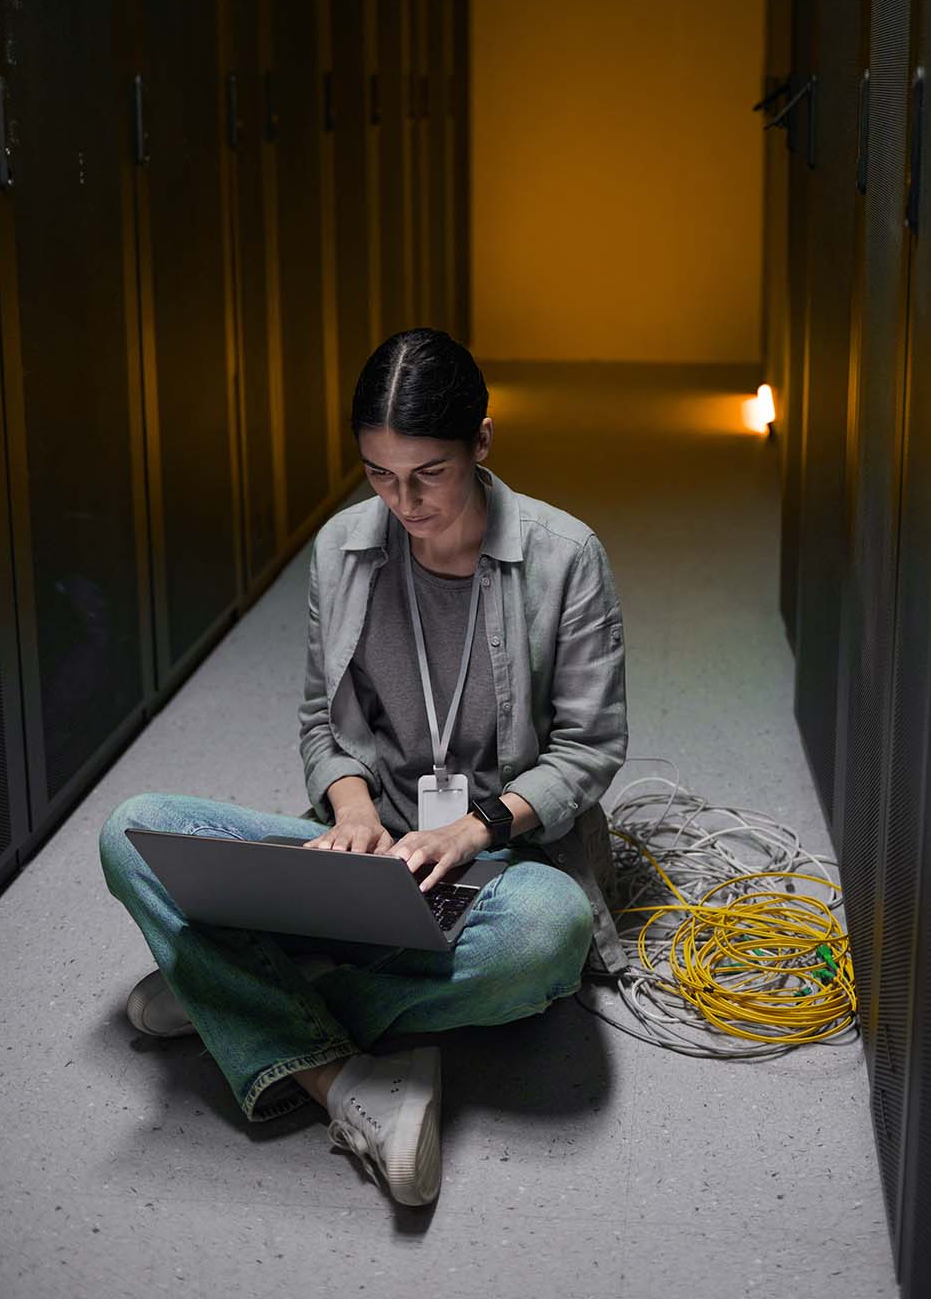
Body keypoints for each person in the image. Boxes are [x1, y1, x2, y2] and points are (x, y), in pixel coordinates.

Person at [98, 327, 629, 1206]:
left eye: (430, 473)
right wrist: (349, 809)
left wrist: (476, 827)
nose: (405, 501)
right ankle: (348, 1078)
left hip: (497, 861)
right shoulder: (346, 547)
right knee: (134, 831)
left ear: (482, 444)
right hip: (366, 850)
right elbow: (322, 724)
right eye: (380, 474)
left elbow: (589, 748)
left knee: (550, 936)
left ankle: (247, 992)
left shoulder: (566, 556)